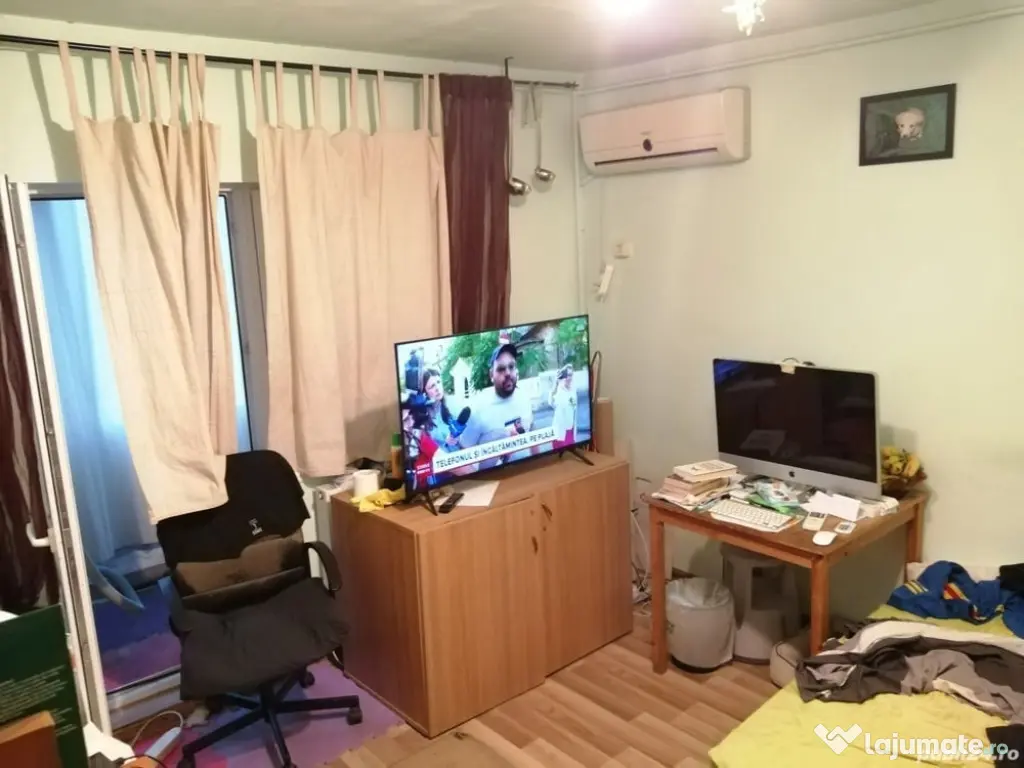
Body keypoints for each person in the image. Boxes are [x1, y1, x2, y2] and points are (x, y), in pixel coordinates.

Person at [458, 343, 534, 467]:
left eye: (511, 366)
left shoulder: (525, 398)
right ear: (491, 375)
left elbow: (531, 430)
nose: (508, 373)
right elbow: (463, 453)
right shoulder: (477, 410)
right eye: (501, 369)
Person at [549, 365, 578, 450]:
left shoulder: (573, 390)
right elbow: (551, 402)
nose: (569, 378)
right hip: (560, 433)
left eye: (571, 375)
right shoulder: (558, 390)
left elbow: (574, 408)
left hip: (571, 431)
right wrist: (555, 383)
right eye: (567, 375)